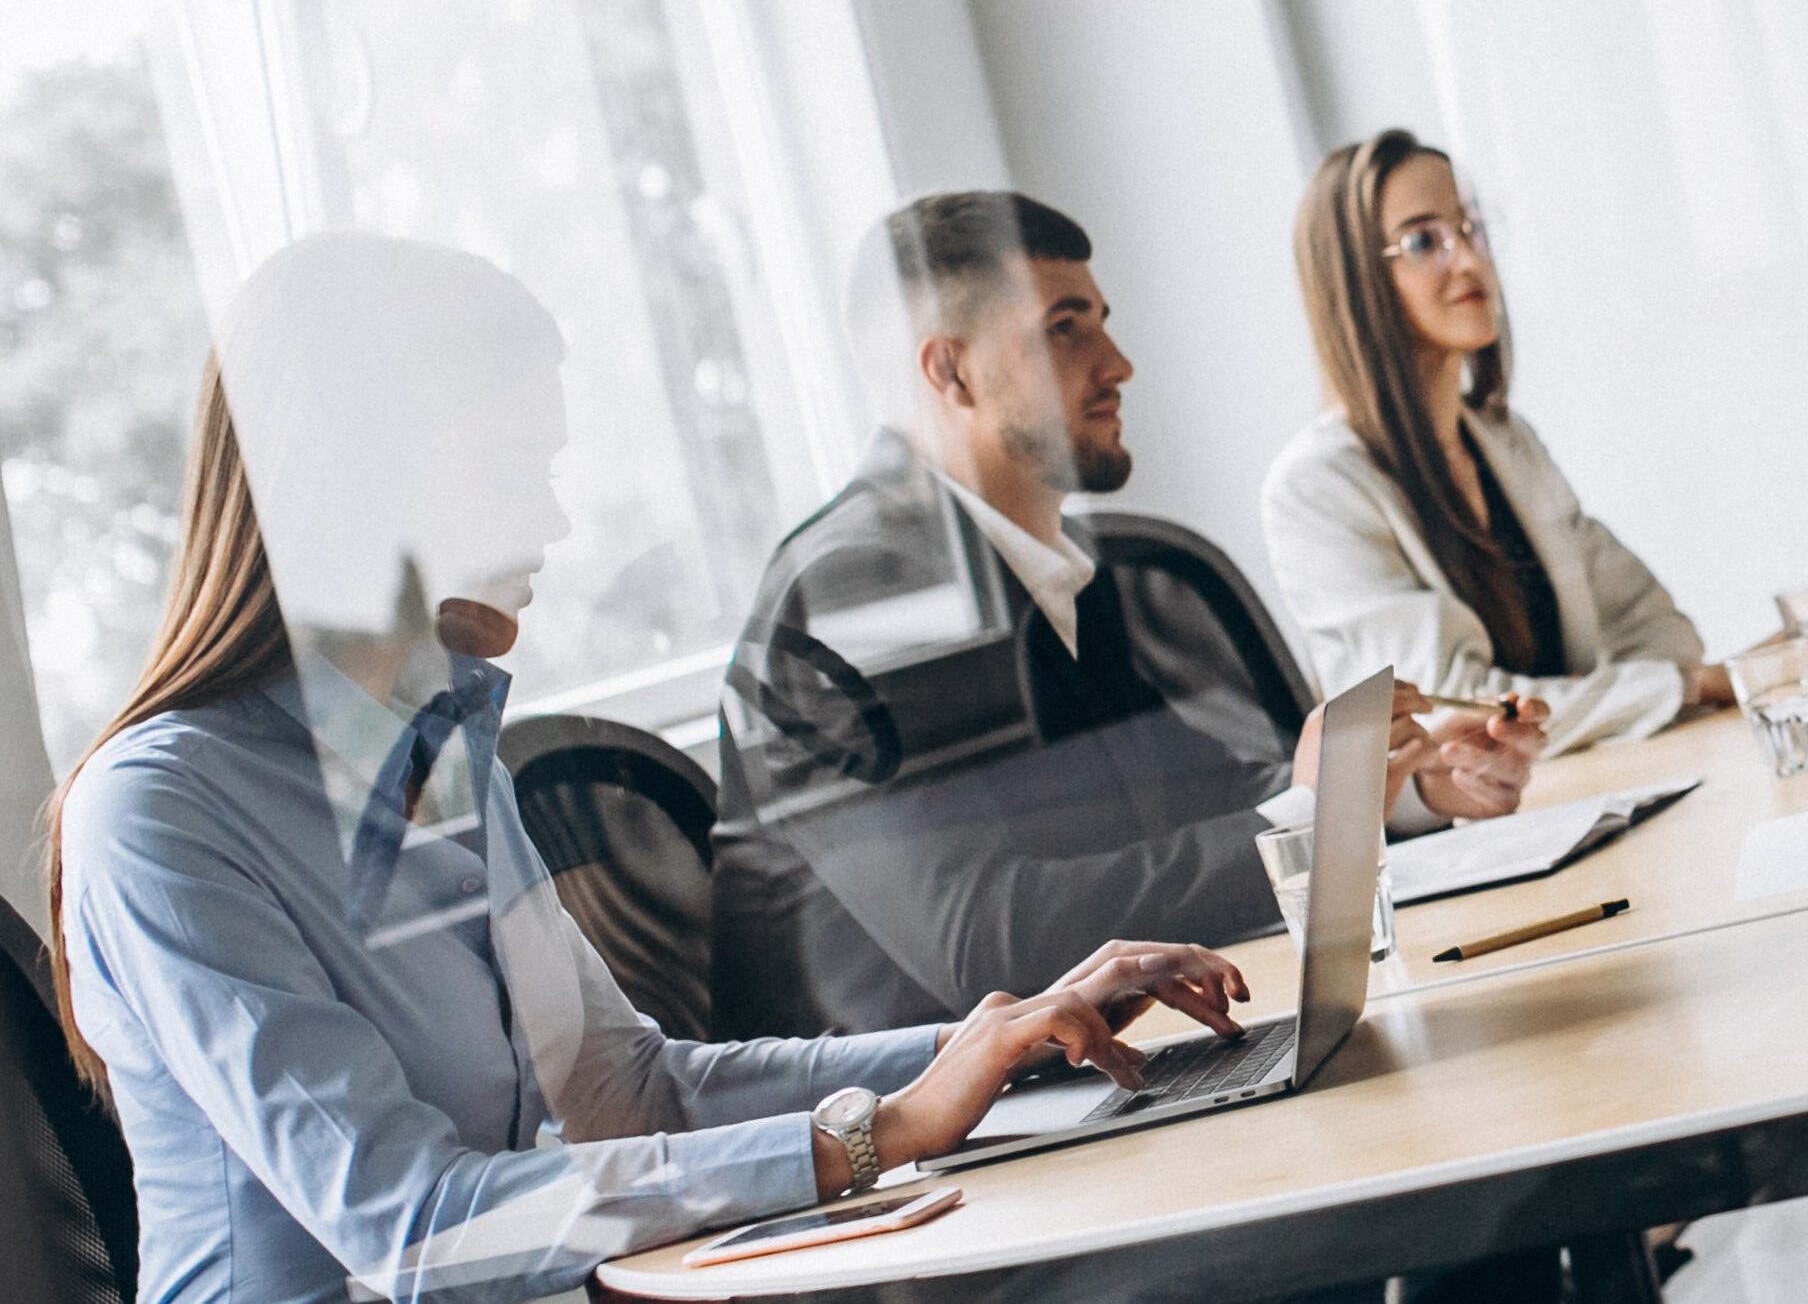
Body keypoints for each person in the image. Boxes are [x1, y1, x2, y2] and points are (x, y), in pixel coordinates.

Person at [53, 234, 1246, 1304]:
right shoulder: (163, 813)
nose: (553, 521)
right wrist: (871, 1134)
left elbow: (626, 1084)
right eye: (512, 463)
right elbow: (414, 1228)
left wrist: (983, 1042)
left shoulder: (423, 740)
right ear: (370, 478)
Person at [714, 192, 1543, 1038]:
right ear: (950, 372)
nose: (1117, 363)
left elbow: (1195, 803)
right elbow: (986, 943)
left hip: (1121, 1055)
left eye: (1100, 321)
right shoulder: (854, 604)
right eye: (1065, 329)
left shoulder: (1043, 563)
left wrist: (1389, 791)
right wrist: (1305, 813)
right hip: (947, 1131)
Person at [1263, 132, 1725, 753]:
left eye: (1471, 227)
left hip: (1594, 788)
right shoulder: (1316, 489)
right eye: (1425, 241)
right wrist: (1674, 690)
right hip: (1475, 836)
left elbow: (1657, 628)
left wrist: (1656, 686)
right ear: (1354, 280)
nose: (1468, 260)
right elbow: (1454, 710)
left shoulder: (1506, 442)